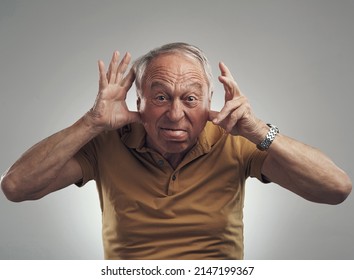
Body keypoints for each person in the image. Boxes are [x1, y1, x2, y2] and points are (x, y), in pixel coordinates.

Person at [1, 42, 352, 259]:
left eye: (190, 99)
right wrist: (91, 123)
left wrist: (260, 131)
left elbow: (336, 189)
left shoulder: (237, 141)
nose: (174, 113)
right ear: (137, 102)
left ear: (210, 103)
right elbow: (16, 187)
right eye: (160, 97)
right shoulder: (107, 143)